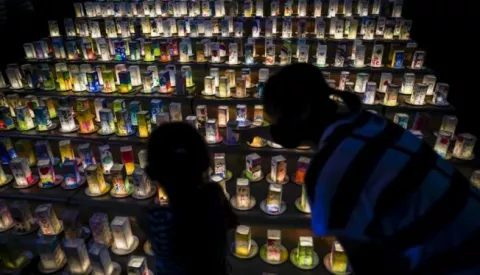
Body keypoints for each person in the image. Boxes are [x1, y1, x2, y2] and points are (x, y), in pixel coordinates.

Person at [240, 63, 480, 274]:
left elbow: (371, 264)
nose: (276, 128)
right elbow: (291, 132)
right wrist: (256, 133)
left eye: (276, 120)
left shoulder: (330, 173)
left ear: (302, 113)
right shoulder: (367, 123)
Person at [141, 122, 237, 275]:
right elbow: (232, 222)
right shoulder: (215, 199)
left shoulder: (154, 218)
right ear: (205, 164)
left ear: (151, 173)